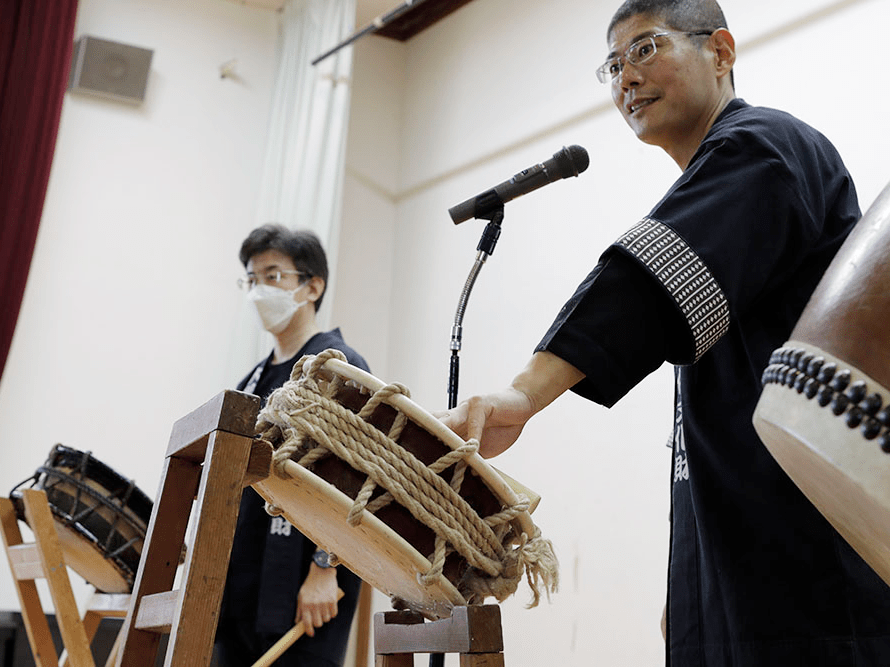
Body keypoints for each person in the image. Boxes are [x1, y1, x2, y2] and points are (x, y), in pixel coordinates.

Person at [439, 0, 890, 664]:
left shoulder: (767, 145)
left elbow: (644, 284)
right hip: (744, 571)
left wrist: (525, 393)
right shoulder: (725, 189)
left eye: (645, 49)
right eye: (613, 64)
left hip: (812, 579)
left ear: (721, 52)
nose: (626, 76)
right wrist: (693, 587)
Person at [215, 223, 365, 667]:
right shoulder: (252, 381)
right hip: (242, 580)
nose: (260, 290)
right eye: (252, 279)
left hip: (308, 585)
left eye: (273, 275)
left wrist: (325, 567)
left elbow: (356, 477)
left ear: (311, 285)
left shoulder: (338, 365)